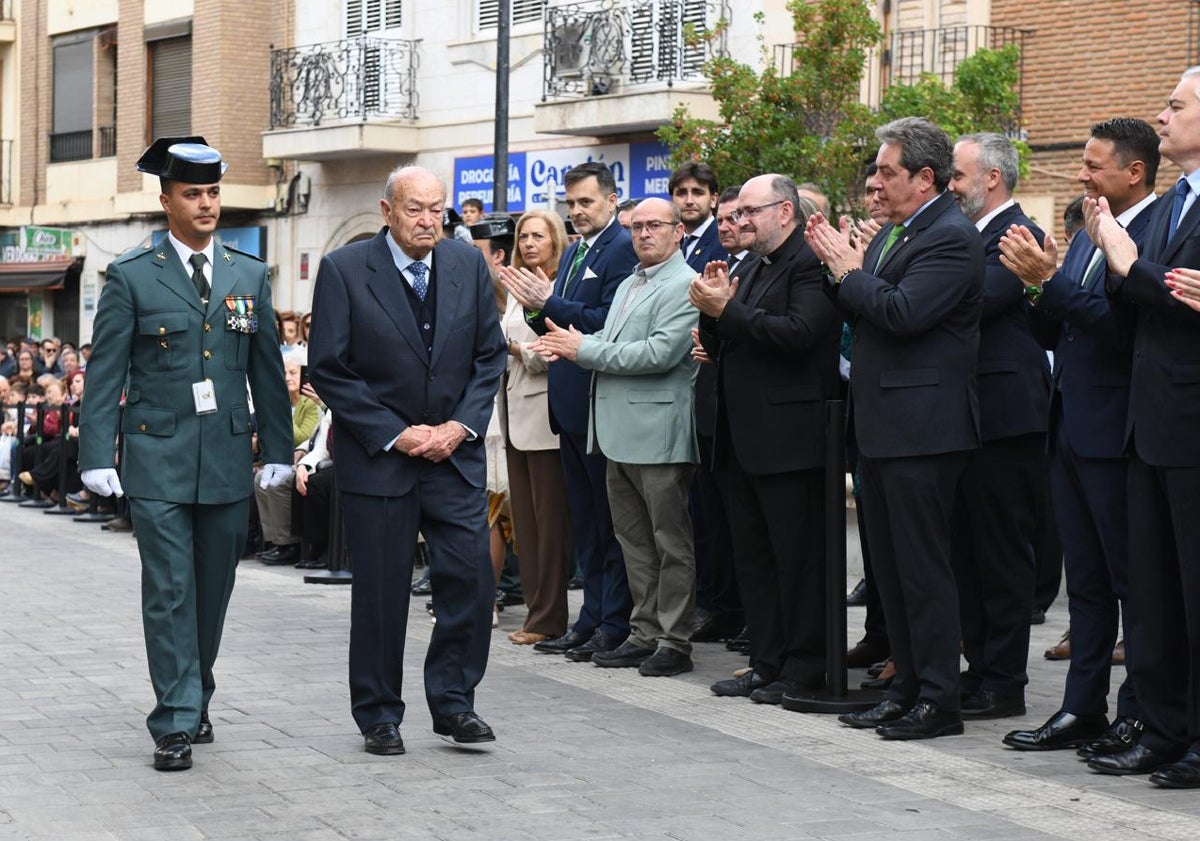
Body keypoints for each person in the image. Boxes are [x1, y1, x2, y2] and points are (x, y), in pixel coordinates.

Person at [78, 136, 292, 772]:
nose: (206, 205)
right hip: (157, 459)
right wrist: (97, 453)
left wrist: (277, 450)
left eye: (213, 193)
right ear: (166, 199)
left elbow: (266, 372)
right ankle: (173, 719)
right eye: (193, 194)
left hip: (225, 458)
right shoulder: (132, 274)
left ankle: (195, 692)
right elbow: (105, 370)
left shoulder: (248, 274)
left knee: (213, 590)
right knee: (169, 590)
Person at [308, 165, 506, 756]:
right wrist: (397, 434)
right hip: (382, 460)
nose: (428, 220)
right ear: (386, 210)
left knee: (470, 579)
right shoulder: (345, 270)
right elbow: (330, 368)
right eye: (415, 208)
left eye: (436, 209)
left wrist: (459, 426)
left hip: (452, 456)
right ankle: (378, 714)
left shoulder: (467, 265)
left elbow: (488, 356)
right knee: (382, 592)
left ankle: (454, 703)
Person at [806, 117, 984, 740]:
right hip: (881, 426)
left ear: (924, 177)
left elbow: (902, 314)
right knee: (889, 569)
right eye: (875, 171)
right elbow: (863, 305)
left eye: (886, 171)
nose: (874, 183)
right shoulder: (895, 234)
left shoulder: (953, 238)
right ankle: (905, 684)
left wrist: (849, 269)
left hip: (925, 431)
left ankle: (940, 698)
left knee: (922, 569)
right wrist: (839, 269)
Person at [999, 118, 1159, 761]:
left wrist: (1052, 282)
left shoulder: (1149, 230)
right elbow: (1069, 329)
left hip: (1117, 434)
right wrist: (1036, 285)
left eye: (1094, 166)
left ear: (1134, 172)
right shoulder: (1095, 229)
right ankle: (1080, 706)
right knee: (1086, 585)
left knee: (1133, 584)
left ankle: (1141, 713)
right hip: (1069, 427)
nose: (1083, 175)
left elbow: (1124, 332)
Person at [1082, 67, 1200, 786]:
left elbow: (1172, 292)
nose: (1163, 117)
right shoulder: (1173, 205)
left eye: (1177, 106)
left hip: (1192, 425)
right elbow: (1139, 306)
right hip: (1147, 421)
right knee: (1154, 595)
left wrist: (1128, 264)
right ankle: (1163, 728)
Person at [535, 198, 701, 677]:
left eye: (655, 226)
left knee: (670, 542)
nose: (644, 234)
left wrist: (582, 348)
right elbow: (610, 344)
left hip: (658, 432)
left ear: (678, 233)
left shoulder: (686, 284)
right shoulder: (630, 281)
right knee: (632, 542)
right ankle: (644, 631)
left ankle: (674, 639)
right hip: (614, 432)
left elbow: (659, 354)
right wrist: (578, 347)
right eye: (637, 227)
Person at [694, 173, 841, 704]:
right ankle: (766, 660)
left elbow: (800, 335)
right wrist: (712, 312)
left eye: (749, 212)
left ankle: (805, 665)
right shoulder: (753, 264)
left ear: (786, 211)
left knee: (797, 560)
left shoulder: (810, 262)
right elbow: (726, 340)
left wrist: (724, 311)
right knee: (754, 559)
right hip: (743, 436)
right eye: (735, 215)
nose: (738, 222)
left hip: (790, 440)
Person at [502, 161, 637, 663]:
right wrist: (537, 308)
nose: (577, 211)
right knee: (588, 525)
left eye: (586, 201)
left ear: (611, 199)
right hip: (568, 409)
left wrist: (549, 303)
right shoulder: (581, 249)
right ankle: (591, 618)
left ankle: (613, 621)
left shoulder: (621, 248)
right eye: (572, 203)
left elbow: (609, 321)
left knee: (608, 524)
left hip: (598, 406)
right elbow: (554, 320)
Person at [946, 132, 1051, 720]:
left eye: (958, 176)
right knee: (967, 549)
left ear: (991, 178)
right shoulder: (970, 235)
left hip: (1006, 417)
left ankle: (1005, 681)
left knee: (1003, 554)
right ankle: (979, 667)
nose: (951, 186)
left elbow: (975, 301)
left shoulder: (1019, 235)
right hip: (966, 415)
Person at [497, 210, 572, 646]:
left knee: (550, 526)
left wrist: (508, 347)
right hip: (514, 414)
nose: (528, 243)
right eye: (523, 236)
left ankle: (549, 619)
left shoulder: (556, 287)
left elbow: (550, 352)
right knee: (525, 524)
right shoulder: (517, 287)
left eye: (538, 236)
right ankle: (534, 613)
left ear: (555, 241)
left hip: (546, 416)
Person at [254, 359, 322, 565]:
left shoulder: (308, 402)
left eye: (293, 372)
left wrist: (279, 414)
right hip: (287, 456)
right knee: (260, 479)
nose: (288, 377)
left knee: (278, 481)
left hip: (305, 456)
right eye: (285, 372)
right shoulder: (283, 400)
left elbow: (303, 435)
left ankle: (289, 543)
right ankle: (273, 540)